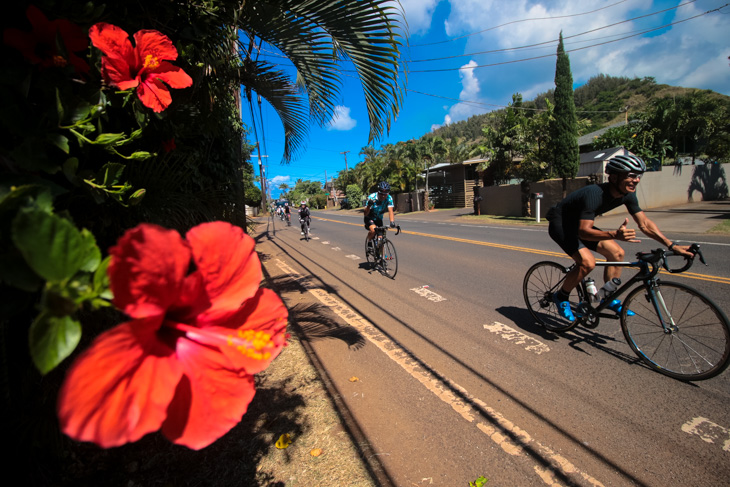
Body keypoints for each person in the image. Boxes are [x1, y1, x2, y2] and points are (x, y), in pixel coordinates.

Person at [548, 154, 693, 322]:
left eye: (638, 176)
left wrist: (671, 245)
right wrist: (614, 234)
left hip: (580, 224)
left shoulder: (628, 195)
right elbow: (583, 232)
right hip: (562, 224)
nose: (636, 180)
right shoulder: (594, 195)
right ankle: (561, 296)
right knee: (587, 262)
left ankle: (607, 297)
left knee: (617, 253)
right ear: (614, 177)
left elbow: (644, 224)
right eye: (631, 176)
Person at [364, 181, 396, 249]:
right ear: (378, 192)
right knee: (373, 230)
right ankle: (369, 241)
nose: (383, 196)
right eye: (381, 194)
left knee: (380, 238)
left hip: (379, 219)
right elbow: (365, 213)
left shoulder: (389, 198)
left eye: (385, 194)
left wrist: (392, 222)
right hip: (369, 218)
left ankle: (381, 256)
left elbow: (391, 211)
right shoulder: (372, 197)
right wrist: (369, 206)